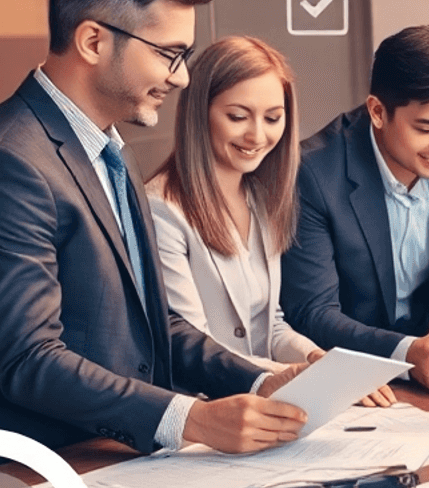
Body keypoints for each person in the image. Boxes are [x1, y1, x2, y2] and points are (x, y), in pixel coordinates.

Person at [0, 0, 308, 467]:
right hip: (13, 479)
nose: (182, 77)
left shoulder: (106, 149)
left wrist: (265, 380)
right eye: (168, 54)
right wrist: (192, 419)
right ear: (92, 41)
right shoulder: (6, 164)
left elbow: (157, 327)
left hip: (105, 455)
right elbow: (32, 362)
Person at [145, 37, 392, 405]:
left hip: (262, 400)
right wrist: (298, 377)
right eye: (238, 117)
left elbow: (270, 324)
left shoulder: (261, 198)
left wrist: (318, 360)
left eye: (273, 118)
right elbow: (193, 346)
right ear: (199, 112)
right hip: (203, 409)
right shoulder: (162, 208)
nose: (257, 135)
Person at [281, 26, 429, 391]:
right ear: (378, 112)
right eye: (428, 128)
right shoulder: (312, 173)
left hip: (422, 385)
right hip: (337, 383)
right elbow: (313, 314)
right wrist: (407, 354)